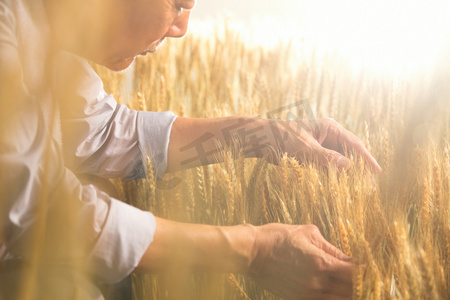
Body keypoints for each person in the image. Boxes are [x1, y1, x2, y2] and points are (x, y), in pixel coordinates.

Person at [0, 0, 381, 299]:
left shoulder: (40, 31)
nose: (181, 29)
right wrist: (255, 251)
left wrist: (264, 135)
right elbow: (38, 210)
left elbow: (101, 132)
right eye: (178, 4)